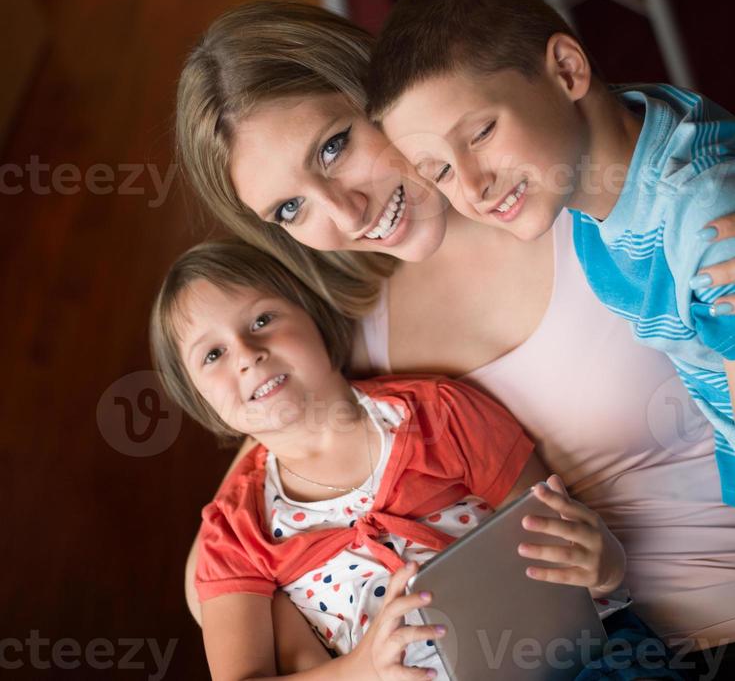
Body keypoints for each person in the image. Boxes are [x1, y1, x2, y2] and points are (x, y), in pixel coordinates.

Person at [175, 0, 735, 676]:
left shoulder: (571, 181)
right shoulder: (341, 323)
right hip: (562, 655)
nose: (346, 213)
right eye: (290, 208)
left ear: (383, 89)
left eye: (335, 146)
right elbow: (211, 568)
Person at [151, 239, 676, 681]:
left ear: (315, 319)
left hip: (567, 662)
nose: (246, 353)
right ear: (200, 401)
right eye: (213, 355)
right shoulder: (234, 532)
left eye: (263, 319)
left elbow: (555, 532)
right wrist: (360, 669)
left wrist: (603, 564)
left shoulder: (436, 413)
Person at [365, 0, 735, 508]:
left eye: (482, 132)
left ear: (566, 70)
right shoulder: (623, 140)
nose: (473, 186)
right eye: (439, 170)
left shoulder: (703, 227)